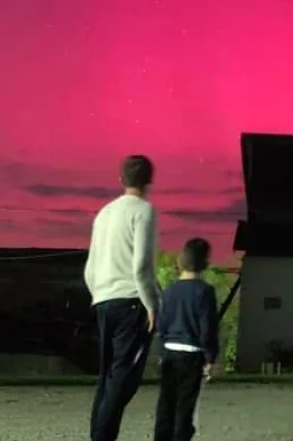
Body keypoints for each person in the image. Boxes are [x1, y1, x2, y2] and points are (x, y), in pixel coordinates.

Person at [85, 155, 161, 441]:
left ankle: (98, 434)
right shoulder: (144, 211)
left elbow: (90, 267)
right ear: (150, 180)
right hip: (132, 300)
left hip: (104, 299)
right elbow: (141, 264)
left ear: (121, 179)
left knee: (107, 377)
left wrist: (99, 294)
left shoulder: (104, 214)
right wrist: (151, 303)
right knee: (123, 379)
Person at [153, 237, 219, 441]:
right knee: (185, 406)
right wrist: (210, 358)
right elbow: (207, 328)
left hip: (170, 351)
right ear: (205, 262)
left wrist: (161, 352)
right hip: (192, 353)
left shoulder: (170, 292)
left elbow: (161, 325)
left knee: (166, 403)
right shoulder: (205, 292)